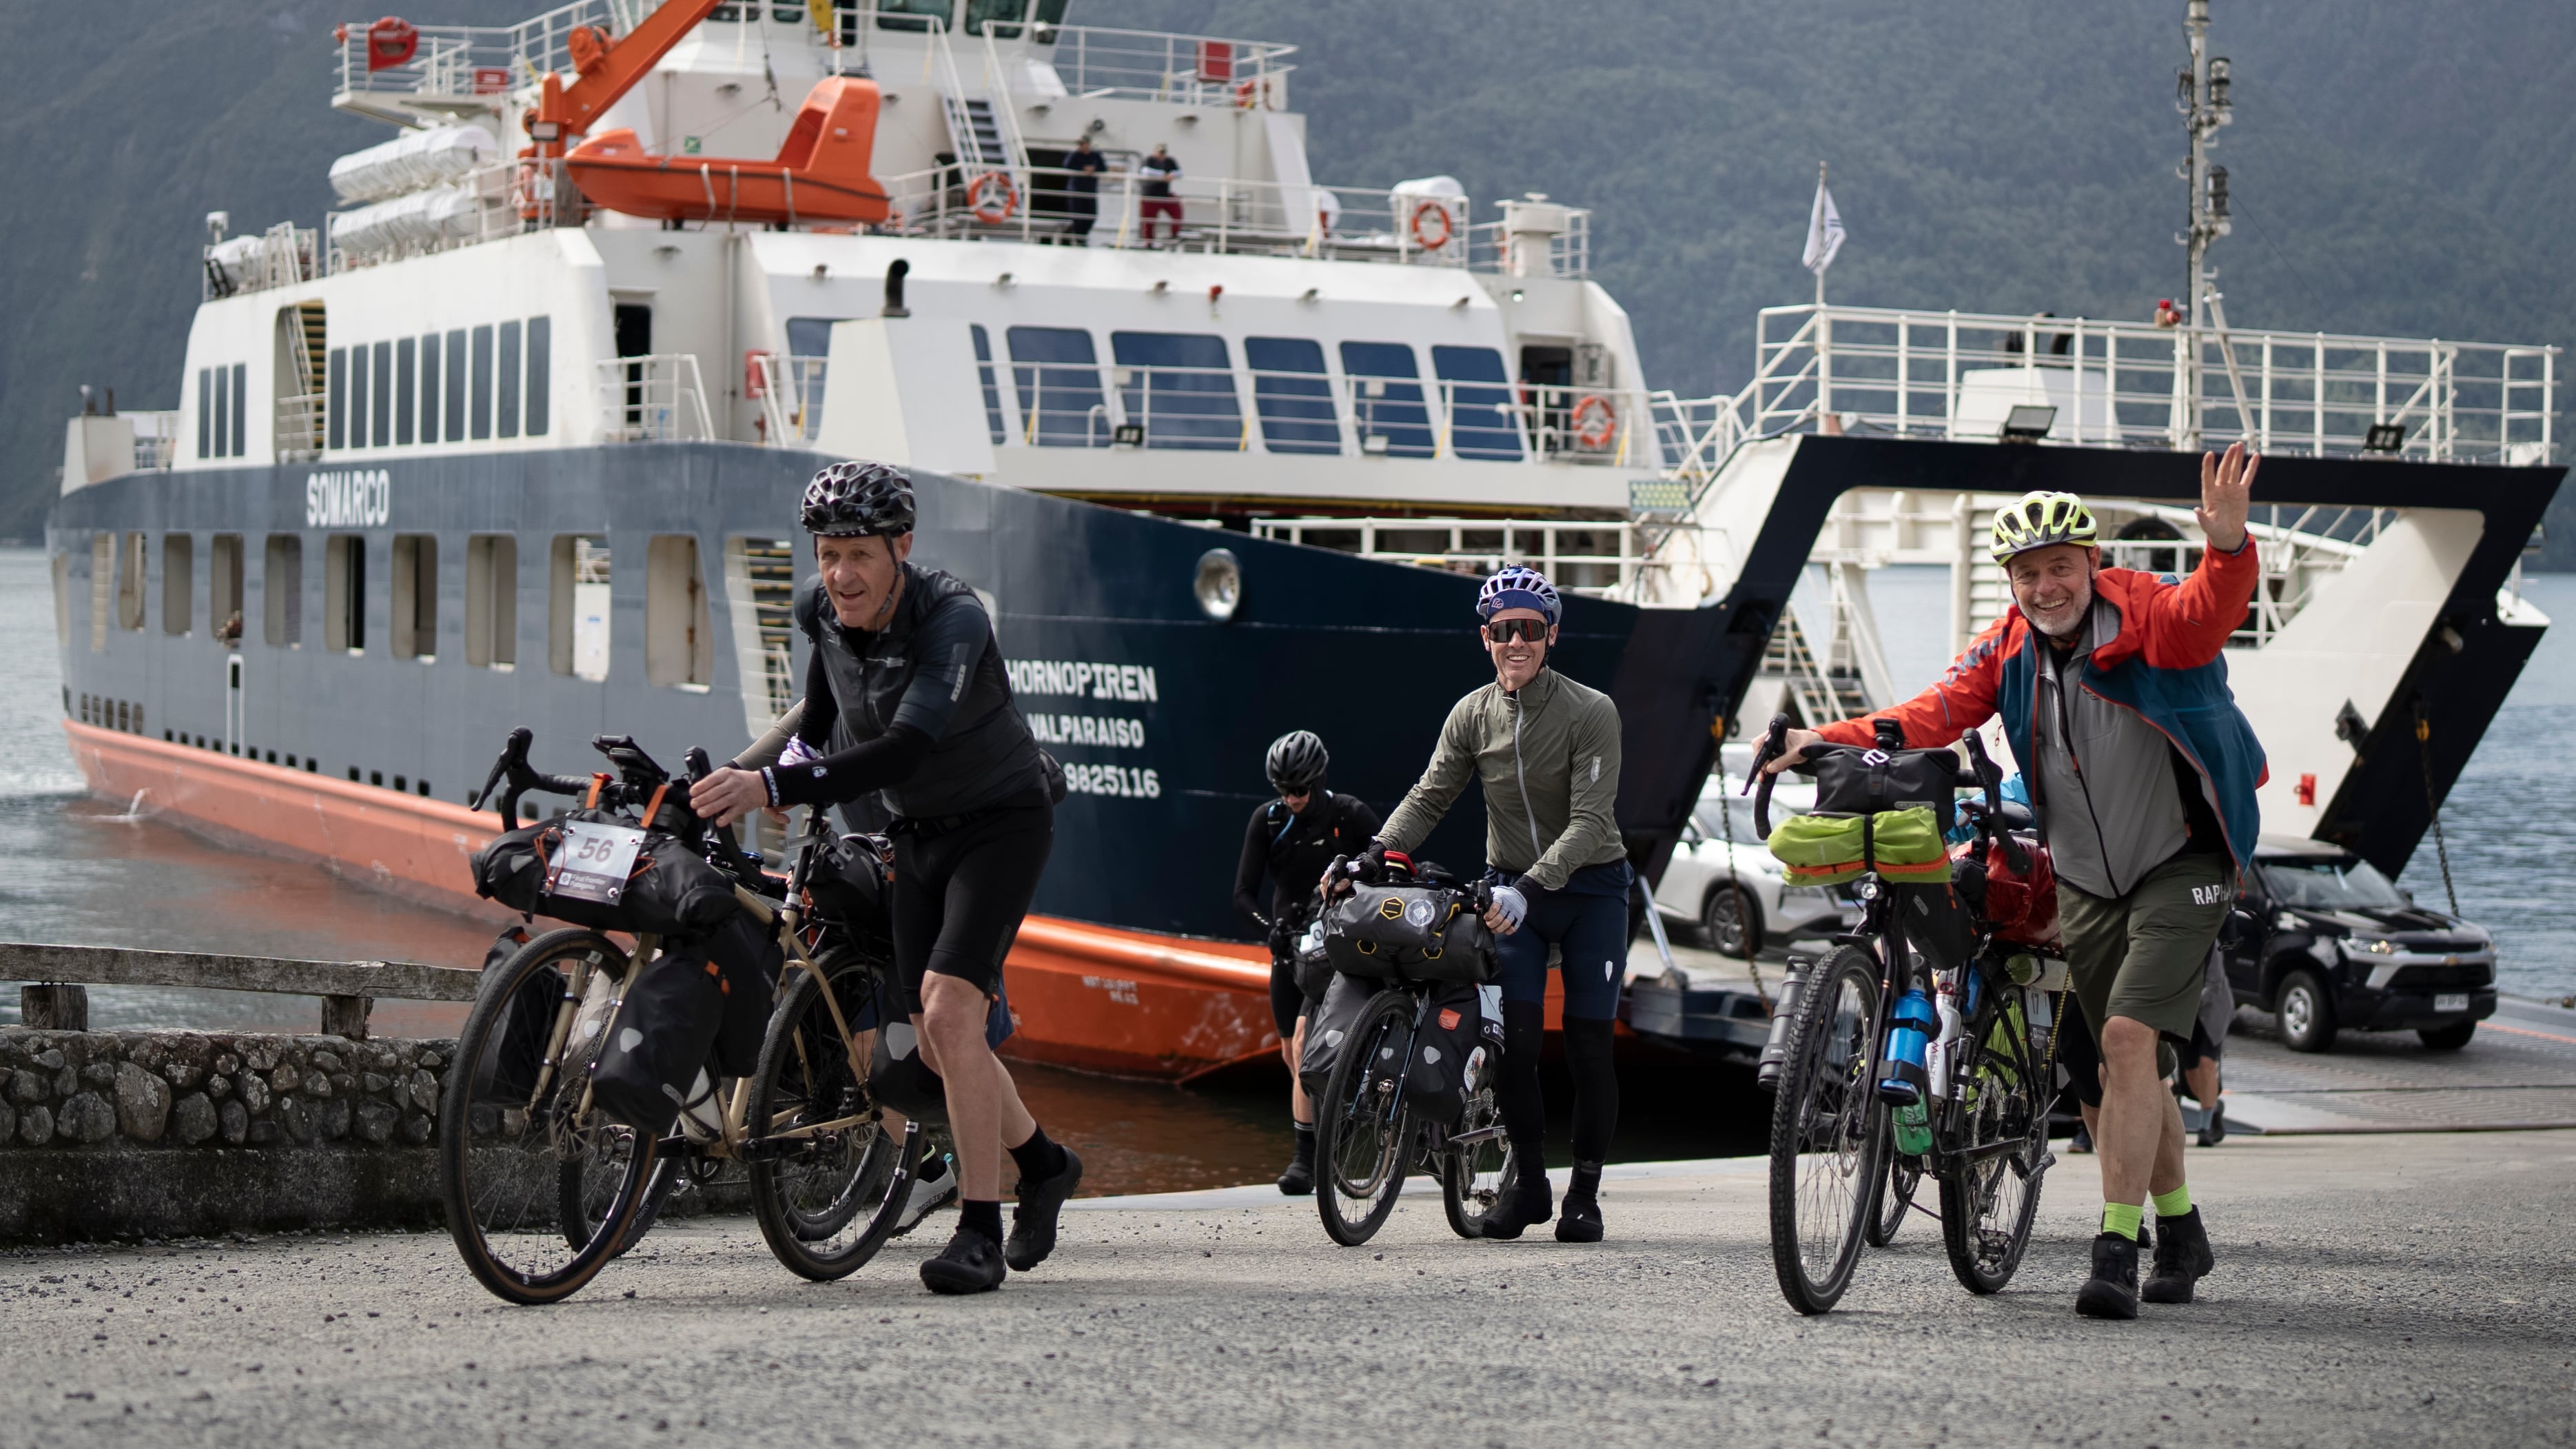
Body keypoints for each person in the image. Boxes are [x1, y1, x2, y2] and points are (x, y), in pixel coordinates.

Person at [1767, 443, 2264, 1318]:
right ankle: (2183, 1227)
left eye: (2060, 568)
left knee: (2121, 1038)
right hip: (2086, 876)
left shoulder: (2146, 615)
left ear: (2090, 565)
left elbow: (2208, 612)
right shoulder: (2010, 648)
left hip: (2184, 859)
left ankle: (2115, 1249)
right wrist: (1824, 738)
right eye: (2028, 573)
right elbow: (1929, 713)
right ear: (2013, 580)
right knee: (2125, 1062)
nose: (2046, 587)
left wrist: (2227, 548)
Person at [692, 460, 1081, 1296]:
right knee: (939, 1041)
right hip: (914, 832)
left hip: (1002, 823)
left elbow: (906, 747)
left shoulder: (953, 618)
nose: (840, 574)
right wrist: (740, 783)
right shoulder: (820, 612)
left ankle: (978, 1227)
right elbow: (822, 726)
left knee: (948, 1007)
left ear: (902, 545)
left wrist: (768, 786)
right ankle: (1045, 1164)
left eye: (860, 554)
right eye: (828, 553)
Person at [1364, 565, 1631, 1243]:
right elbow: (1430, 794)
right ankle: (1533, 1185)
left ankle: (1586, 1195)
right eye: (1504, 631)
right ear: (1486, 637)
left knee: (1588, 1046)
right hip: (1510, 894)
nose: (1518, 642)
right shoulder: (1471, 715)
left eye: (1531, 631)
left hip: (1590, 889)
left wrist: (1531, 885)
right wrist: (1376, 851)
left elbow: (1591, 820)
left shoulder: (1591, 710)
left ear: (1551, 637)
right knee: (1511, 1046)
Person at [1232, 730, 1379, 1195]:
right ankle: (1322, 1142)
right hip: (1289, 947)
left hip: (1338, 945)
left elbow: (1387, 864)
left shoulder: (1348, 815)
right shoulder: (1270, 821)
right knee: (1291, 1056)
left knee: (1305, 1043)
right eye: (1284, 791)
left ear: (1318, 781)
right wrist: (1269, 929)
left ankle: (1307, 1158)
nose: (1292, 799)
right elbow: (1242, 894)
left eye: (1300, 790)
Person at [1061, 135, 1107, 244]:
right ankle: (1079, 238)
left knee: (1092, 215)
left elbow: (1103, 168)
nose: (1080, 146)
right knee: (1077, 215)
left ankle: (1080, 235)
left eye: (1082, 144)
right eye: (1079, 144)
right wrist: (1083, 168)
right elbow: (1066, 165)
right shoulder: (1074, 155)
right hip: (1076, 190)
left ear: (1088, 144)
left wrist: (1094, 169)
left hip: (1090, 190)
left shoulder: (1095, 156)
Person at [1137, 143, 1182, 245]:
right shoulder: (1149, 160)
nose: (1161, 155)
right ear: (1155, 152)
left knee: (1177, 211)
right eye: (1160, 152)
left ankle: (1175, 234)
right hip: (1150, 195)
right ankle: (1148, 242)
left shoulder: (1170, 161)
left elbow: (1180, 172)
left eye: (1163, 153)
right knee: (1149, 220)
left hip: (1164, 194)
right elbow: (1145, 171)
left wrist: (1173, 175)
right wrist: (1163, 175)